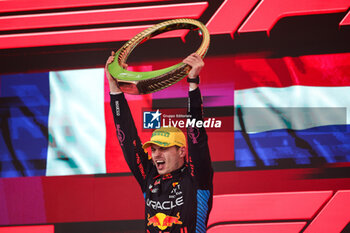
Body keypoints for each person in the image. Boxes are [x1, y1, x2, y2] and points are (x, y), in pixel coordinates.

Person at [106, 52, 213, 233]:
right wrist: (114, 88)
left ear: (181, 152)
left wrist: (193, 82)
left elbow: (197, 138)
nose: (156, 155)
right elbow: (127, 139)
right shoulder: (149, 176)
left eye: (163, 148)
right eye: (154, 149)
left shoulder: (196, 179)